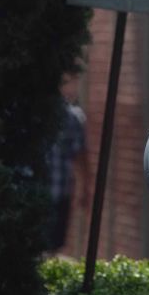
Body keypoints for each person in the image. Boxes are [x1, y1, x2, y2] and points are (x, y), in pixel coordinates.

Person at [45, 72, 88, 253]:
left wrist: (85, 188)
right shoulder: (70, 116)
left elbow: (81, 156)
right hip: (52, 190)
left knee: (53, 244)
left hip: (58, 191)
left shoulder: (71, 117)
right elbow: (82, 158)